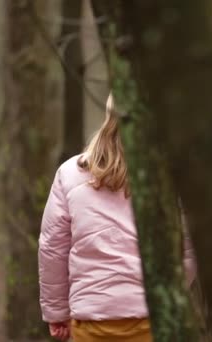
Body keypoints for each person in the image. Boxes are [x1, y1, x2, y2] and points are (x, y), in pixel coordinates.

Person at [38, 93, 196, 341]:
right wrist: (167, 294)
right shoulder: (170, 177)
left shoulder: (69, 174)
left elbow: (52, 248)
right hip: (152, 319)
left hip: (90, 322)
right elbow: (190, 246)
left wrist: (57, 312)